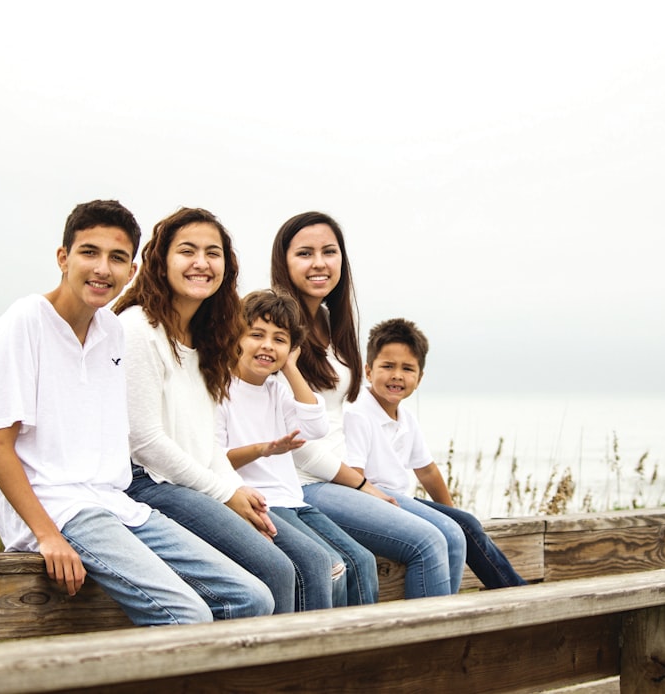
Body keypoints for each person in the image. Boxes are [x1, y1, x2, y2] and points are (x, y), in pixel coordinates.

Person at [0, 199, 273, 627]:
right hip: (60, 507)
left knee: (252, 598)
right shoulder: (24, 322)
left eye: (117, 258)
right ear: (63, 258)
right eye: (89, 253)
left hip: (116, 503)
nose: (103, 269)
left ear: (132, 271)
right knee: (187, 615)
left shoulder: (111, 330)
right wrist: (46, 534)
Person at [116, 207, 325, 614]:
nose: (201, 263)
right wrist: (225, 492)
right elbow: (144, 440)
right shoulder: (138, 328)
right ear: (161, 261)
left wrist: (237, 490)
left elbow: (208, 440)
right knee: (275, 571)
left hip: (191, 482)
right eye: (187, 251)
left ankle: (298, 673)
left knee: (300, 561)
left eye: (213, 253)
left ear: (226, 268)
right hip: (148, 484)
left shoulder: (207, 341)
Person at [271, 211, 455, 599]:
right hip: (308, 483)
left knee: (452, 534)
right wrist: (360, 484)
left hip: (343, 480)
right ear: (284, 263)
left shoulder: (330, 321)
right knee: (427, 542)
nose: (319, 263)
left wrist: (361, 481)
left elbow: (339, 418)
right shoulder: (277, 329)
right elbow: (294, 440)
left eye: (329, 251)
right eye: (305, 253)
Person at [217, 289, 379, 608]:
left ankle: (360, 648)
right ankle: (316, 654)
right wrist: (262, 449)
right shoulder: (221, 389)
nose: (267, 346)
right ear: (236, 335)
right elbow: (215, 460)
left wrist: (291, 367)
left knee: (362, 560)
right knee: (325, 565)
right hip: (262, 502)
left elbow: (315, 426)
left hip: (295, 501)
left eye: (280, 339)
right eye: (257, 335)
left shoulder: (277, 391)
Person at [346, 318, 529, 591]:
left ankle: (507, 591)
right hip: (374, 503)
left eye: (407, 369)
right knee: (460, 528)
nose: (397, 375)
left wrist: (449, 513)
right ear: (369, 372)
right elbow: (355, 480)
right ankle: (514, 591)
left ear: (419, 379)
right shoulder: (357, 412)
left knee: (462, 524)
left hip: (398, 500)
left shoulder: (406, 418)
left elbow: (428, 471)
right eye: (387, 366)